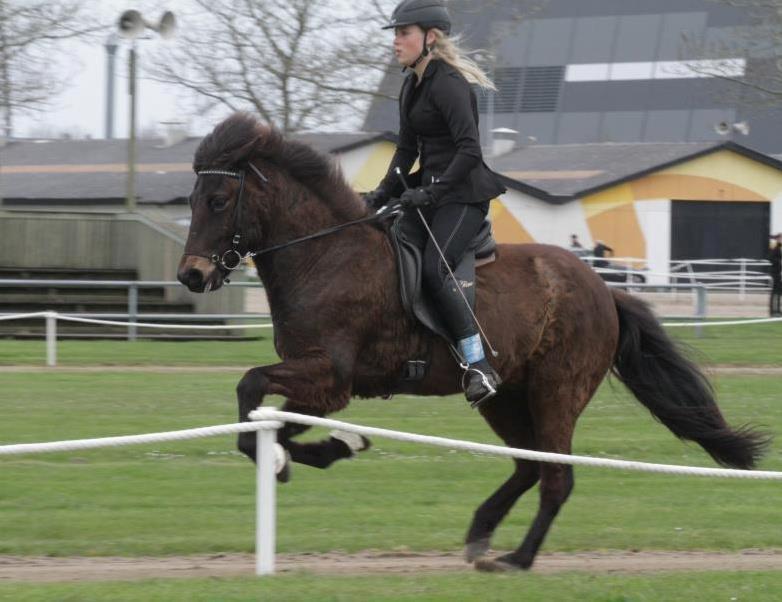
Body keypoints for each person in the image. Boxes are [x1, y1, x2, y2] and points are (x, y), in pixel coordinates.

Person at [364, 0, 507, 406]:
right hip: (429, 192)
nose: (396, 42)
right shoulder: (411, 84)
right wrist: (381, 192)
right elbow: (406, 149)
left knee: (435, 268)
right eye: (395, 33)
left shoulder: (449, 83)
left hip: (463, 195)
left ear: (431, 37)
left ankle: (479, 364)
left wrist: (432, 191)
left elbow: (468, 151)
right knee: (386, 249)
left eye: (403, 33)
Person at [769, 233, 782, 316]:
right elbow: (771, 258)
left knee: (779, 292)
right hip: (776, 273)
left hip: (780, 273)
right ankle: (773, 311)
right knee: (775, 292)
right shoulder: (774, 247)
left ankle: (778, 310)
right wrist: (780, 262)